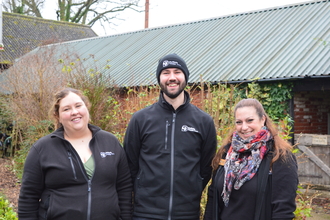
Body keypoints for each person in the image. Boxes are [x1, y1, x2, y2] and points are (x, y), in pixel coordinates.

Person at [123, 53, 217, 220]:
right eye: (166, 73)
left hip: (187, 213)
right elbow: (130, 165)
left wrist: (193, 186)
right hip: (145, 213)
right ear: (159, 78)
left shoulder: (203, 121)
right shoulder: (140, 119)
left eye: (177, 72)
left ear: (185, 77)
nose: (172, 77)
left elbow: (206, 167)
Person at [18, 88, 132, 220]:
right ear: (58, 116)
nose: (75, 112)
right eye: (66, 109)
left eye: (78, 106)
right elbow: (28, 198)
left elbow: (124, 188)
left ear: (86, 108)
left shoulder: (110, 142)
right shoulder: (42, 148)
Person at [204, 98, 298, 220]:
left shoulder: (280, 157)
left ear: (263, 119)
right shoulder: (227, 153)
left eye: (250, 120)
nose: (244, 127)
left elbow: (283, 210)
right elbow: (213, 197)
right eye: (239, 122)